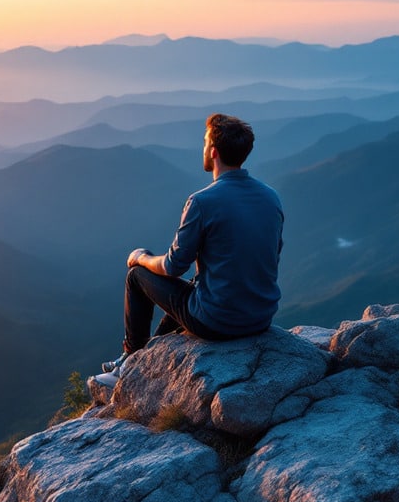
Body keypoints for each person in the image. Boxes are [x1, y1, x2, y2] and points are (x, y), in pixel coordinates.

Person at [97, 113, 284, 382]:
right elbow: (269, 255)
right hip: (260, 317)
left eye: (205, 142)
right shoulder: (270, 197)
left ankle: (129, 362)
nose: (203, 148)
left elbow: (173, 266)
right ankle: (149, 351)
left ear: (213, 151)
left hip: (218, 323)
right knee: (194, 286)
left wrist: (141, 257)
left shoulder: (202, 202)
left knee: (137, 277)